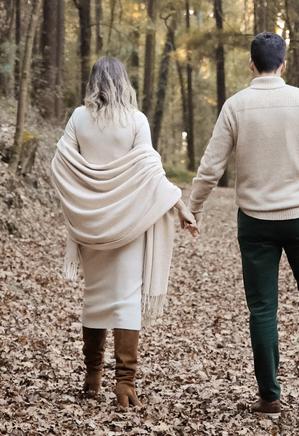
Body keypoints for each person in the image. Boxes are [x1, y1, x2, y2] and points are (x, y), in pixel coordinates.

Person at [189, 30, 299, 422]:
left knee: (262, 309)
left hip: (255, 221)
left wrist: (194, 207)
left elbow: (211, 167)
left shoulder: (236, 106)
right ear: (284, 64)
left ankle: (270, 397)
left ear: (251, 64)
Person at [51, 55, 197, 407]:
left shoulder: (78, 118)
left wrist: (80, 200)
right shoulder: (136, 120)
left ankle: (92, 378)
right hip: (129, 223)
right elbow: (151, 173)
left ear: (94, 82)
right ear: (123, 82)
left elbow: (60, 164)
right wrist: (181, 207)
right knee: (127, 299)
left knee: (94, 298)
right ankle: (125, 384)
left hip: (90, 222)